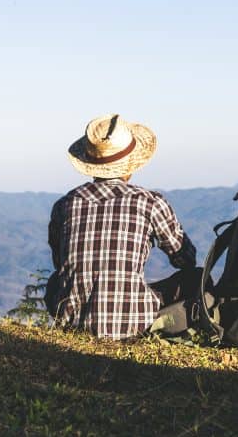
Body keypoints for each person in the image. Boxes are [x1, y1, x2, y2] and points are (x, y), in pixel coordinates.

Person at [45, 113, 200, 338]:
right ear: (131, 164)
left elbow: (60, 263)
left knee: (54, 281)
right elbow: (185, 260)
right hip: (134, 324)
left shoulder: (65, 204)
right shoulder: (150, 202)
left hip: (73, 321)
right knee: (195, 277)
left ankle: (76, 320)